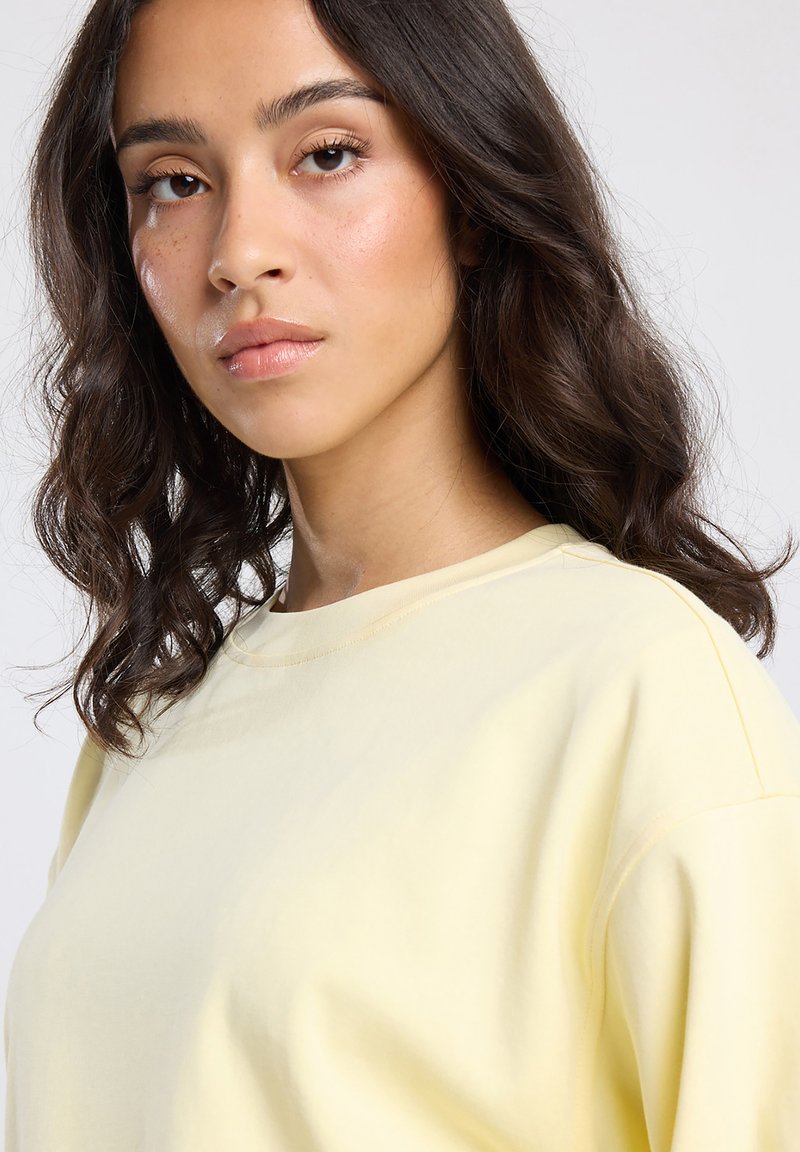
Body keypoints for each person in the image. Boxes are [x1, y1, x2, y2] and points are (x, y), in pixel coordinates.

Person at [4, 0, 800, 1147]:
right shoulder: (150, 724)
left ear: (469, 196)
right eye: (172, 182)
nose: (237, 254)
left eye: (326, 154)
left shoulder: (641, 695)